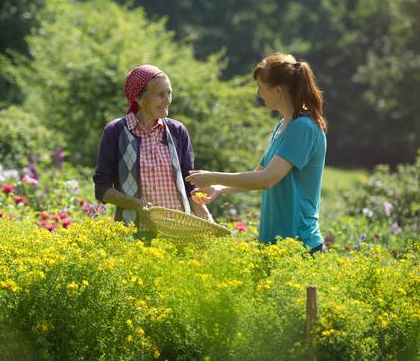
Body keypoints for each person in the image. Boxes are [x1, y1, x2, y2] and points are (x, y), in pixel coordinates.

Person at [186, 53, 327, 254]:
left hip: (299, 245)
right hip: (275, 243)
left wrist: (212, 176)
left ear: (277, 90)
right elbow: (258, 173)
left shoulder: (303, 127)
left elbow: (267, 179)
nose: (258, 93)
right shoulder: (284, 125)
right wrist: (219, 187)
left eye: (261, 87)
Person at [93, 64, 212, 239]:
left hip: (179, 231)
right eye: (160, 95)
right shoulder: (116, 131)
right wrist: (136, 204)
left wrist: (206, 218)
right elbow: (102, 189)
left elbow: (189, 184)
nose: (167, 100)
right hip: (134, 234)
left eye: (169, 93)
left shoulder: (177, 131)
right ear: (140, 99)